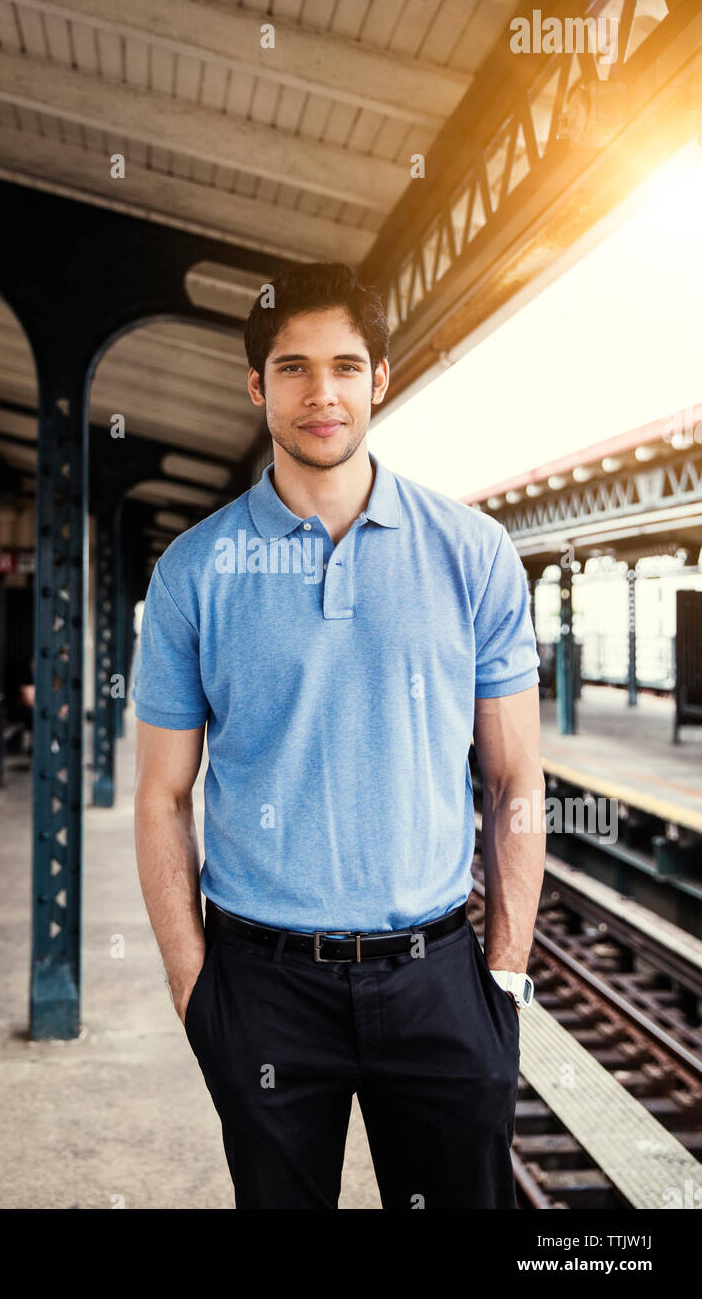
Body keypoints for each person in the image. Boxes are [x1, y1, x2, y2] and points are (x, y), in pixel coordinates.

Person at [133, 263, 546, 1210]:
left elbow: (518, 775)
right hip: (261, 985)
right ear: (256, 388)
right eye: (293, 369)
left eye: (345, 367)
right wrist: (196, 991)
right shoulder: (195, 572)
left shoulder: (472, 554)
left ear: (380, 381)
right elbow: (161, 795)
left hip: (437, 979)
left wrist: (507, 979)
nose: (322, 393)